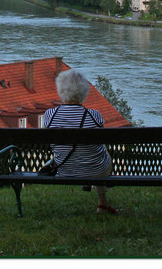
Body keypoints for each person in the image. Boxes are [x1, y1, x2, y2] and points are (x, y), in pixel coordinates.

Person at [42, 68, 118, 215]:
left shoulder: (49, 115)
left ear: (60, 90)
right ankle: (102, 203)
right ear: (84, 92)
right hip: (95, 169)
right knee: (101, 152)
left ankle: (90, 185)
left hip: (65, 170)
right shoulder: (94, 115)